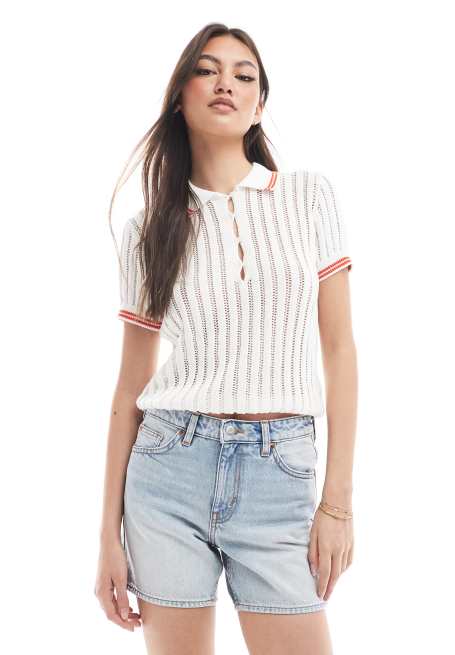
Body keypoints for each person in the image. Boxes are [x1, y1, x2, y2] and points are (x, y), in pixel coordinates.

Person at [95, 22, 357, 655]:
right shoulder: (147, 231)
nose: (226, 84)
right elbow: (130, 386)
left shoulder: (308, 197)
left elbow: (340, 351)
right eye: (207, 70)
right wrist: (107, 536)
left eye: (244, 76)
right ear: (180, 95)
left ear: (258, 106)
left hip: (279, 471)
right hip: (168, 471)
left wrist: (338, 504)